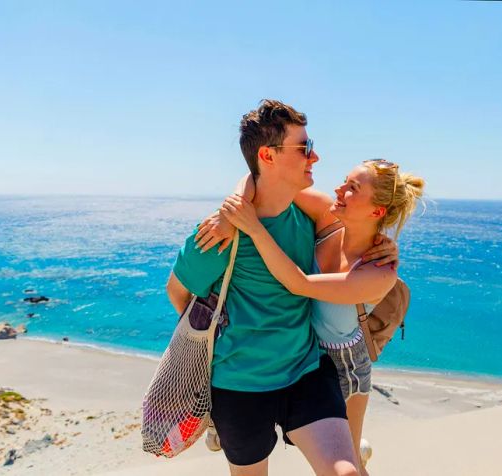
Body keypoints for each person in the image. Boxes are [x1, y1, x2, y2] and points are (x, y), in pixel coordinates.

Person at [166, 99, 395, 476]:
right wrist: (214, 339)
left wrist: (385, 245)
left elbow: (360, 230)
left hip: (305, 372)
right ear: (268, 156)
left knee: (347, 472)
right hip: (239, 386)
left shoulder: (311, 216)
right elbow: (177, 292)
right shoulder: (218, 233)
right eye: (304, 147)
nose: (316, 156)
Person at [203, 159, 425, 475]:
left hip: (344, 366)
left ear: (376, 212)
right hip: (299, 348)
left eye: (352, 188)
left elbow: (298, 283)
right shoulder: (327, 215)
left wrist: (251, 224)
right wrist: (231, 214)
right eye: (345, 181)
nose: (339, 188)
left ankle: (357, 451)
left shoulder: (378, 273)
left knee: (348, 467)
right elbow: (262, 180)